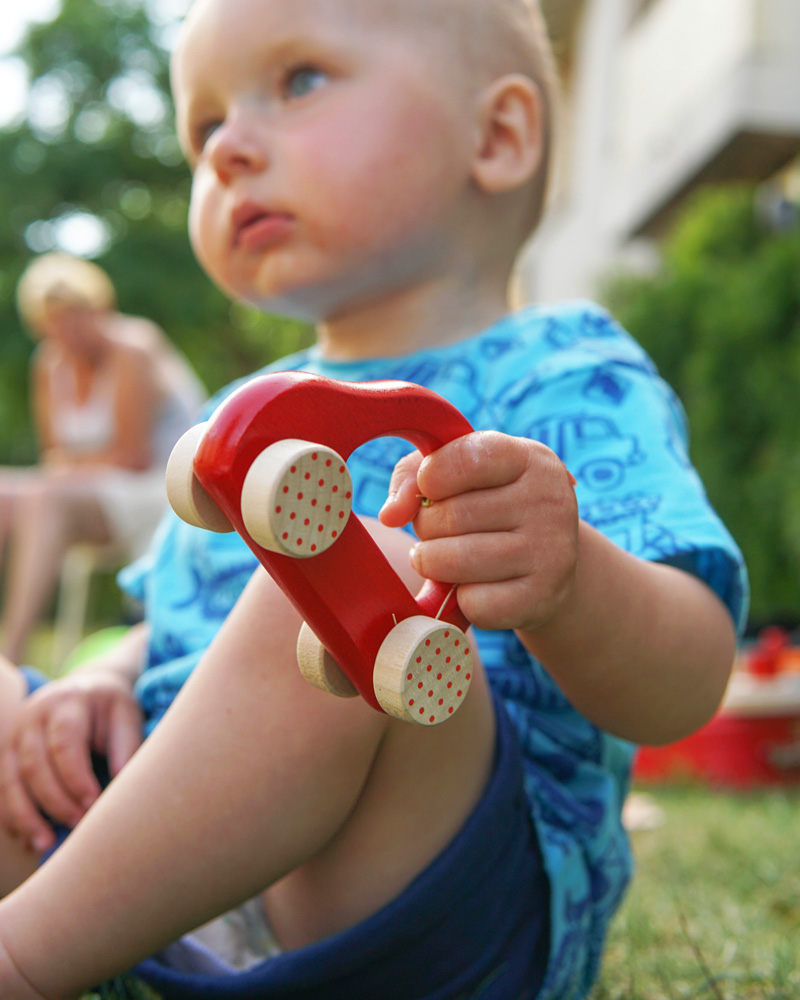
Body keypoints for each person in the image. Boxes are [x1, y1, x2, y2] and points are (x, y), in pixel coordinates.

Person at [0, 0, 748, 997]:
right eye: (203, 126)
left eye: (298, 80)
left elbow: (687, 680)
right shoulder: (241, 411)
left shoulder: (569, 376)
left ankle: (22, 956)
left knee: (361, 596)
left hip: (423, 899)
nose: (225, 151)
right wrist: (104, 681)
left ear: (496, 136)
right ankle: (78, 921)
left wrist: (568, 578)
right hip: (162, 869)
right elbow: (177, 622)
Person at [0, 253, 206, 664]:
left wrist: (64, 470)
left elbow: (132, 456)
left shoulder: (133, 346)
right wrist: (62, 469)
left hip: (167, 493)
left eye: (76, 315)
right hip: (99, 492)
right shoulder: (49, 363)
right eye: (54, 319)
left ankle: (10, 656)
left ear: (98, 308)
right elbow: (54, 454)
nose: (67, 329)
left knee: (45, 498)